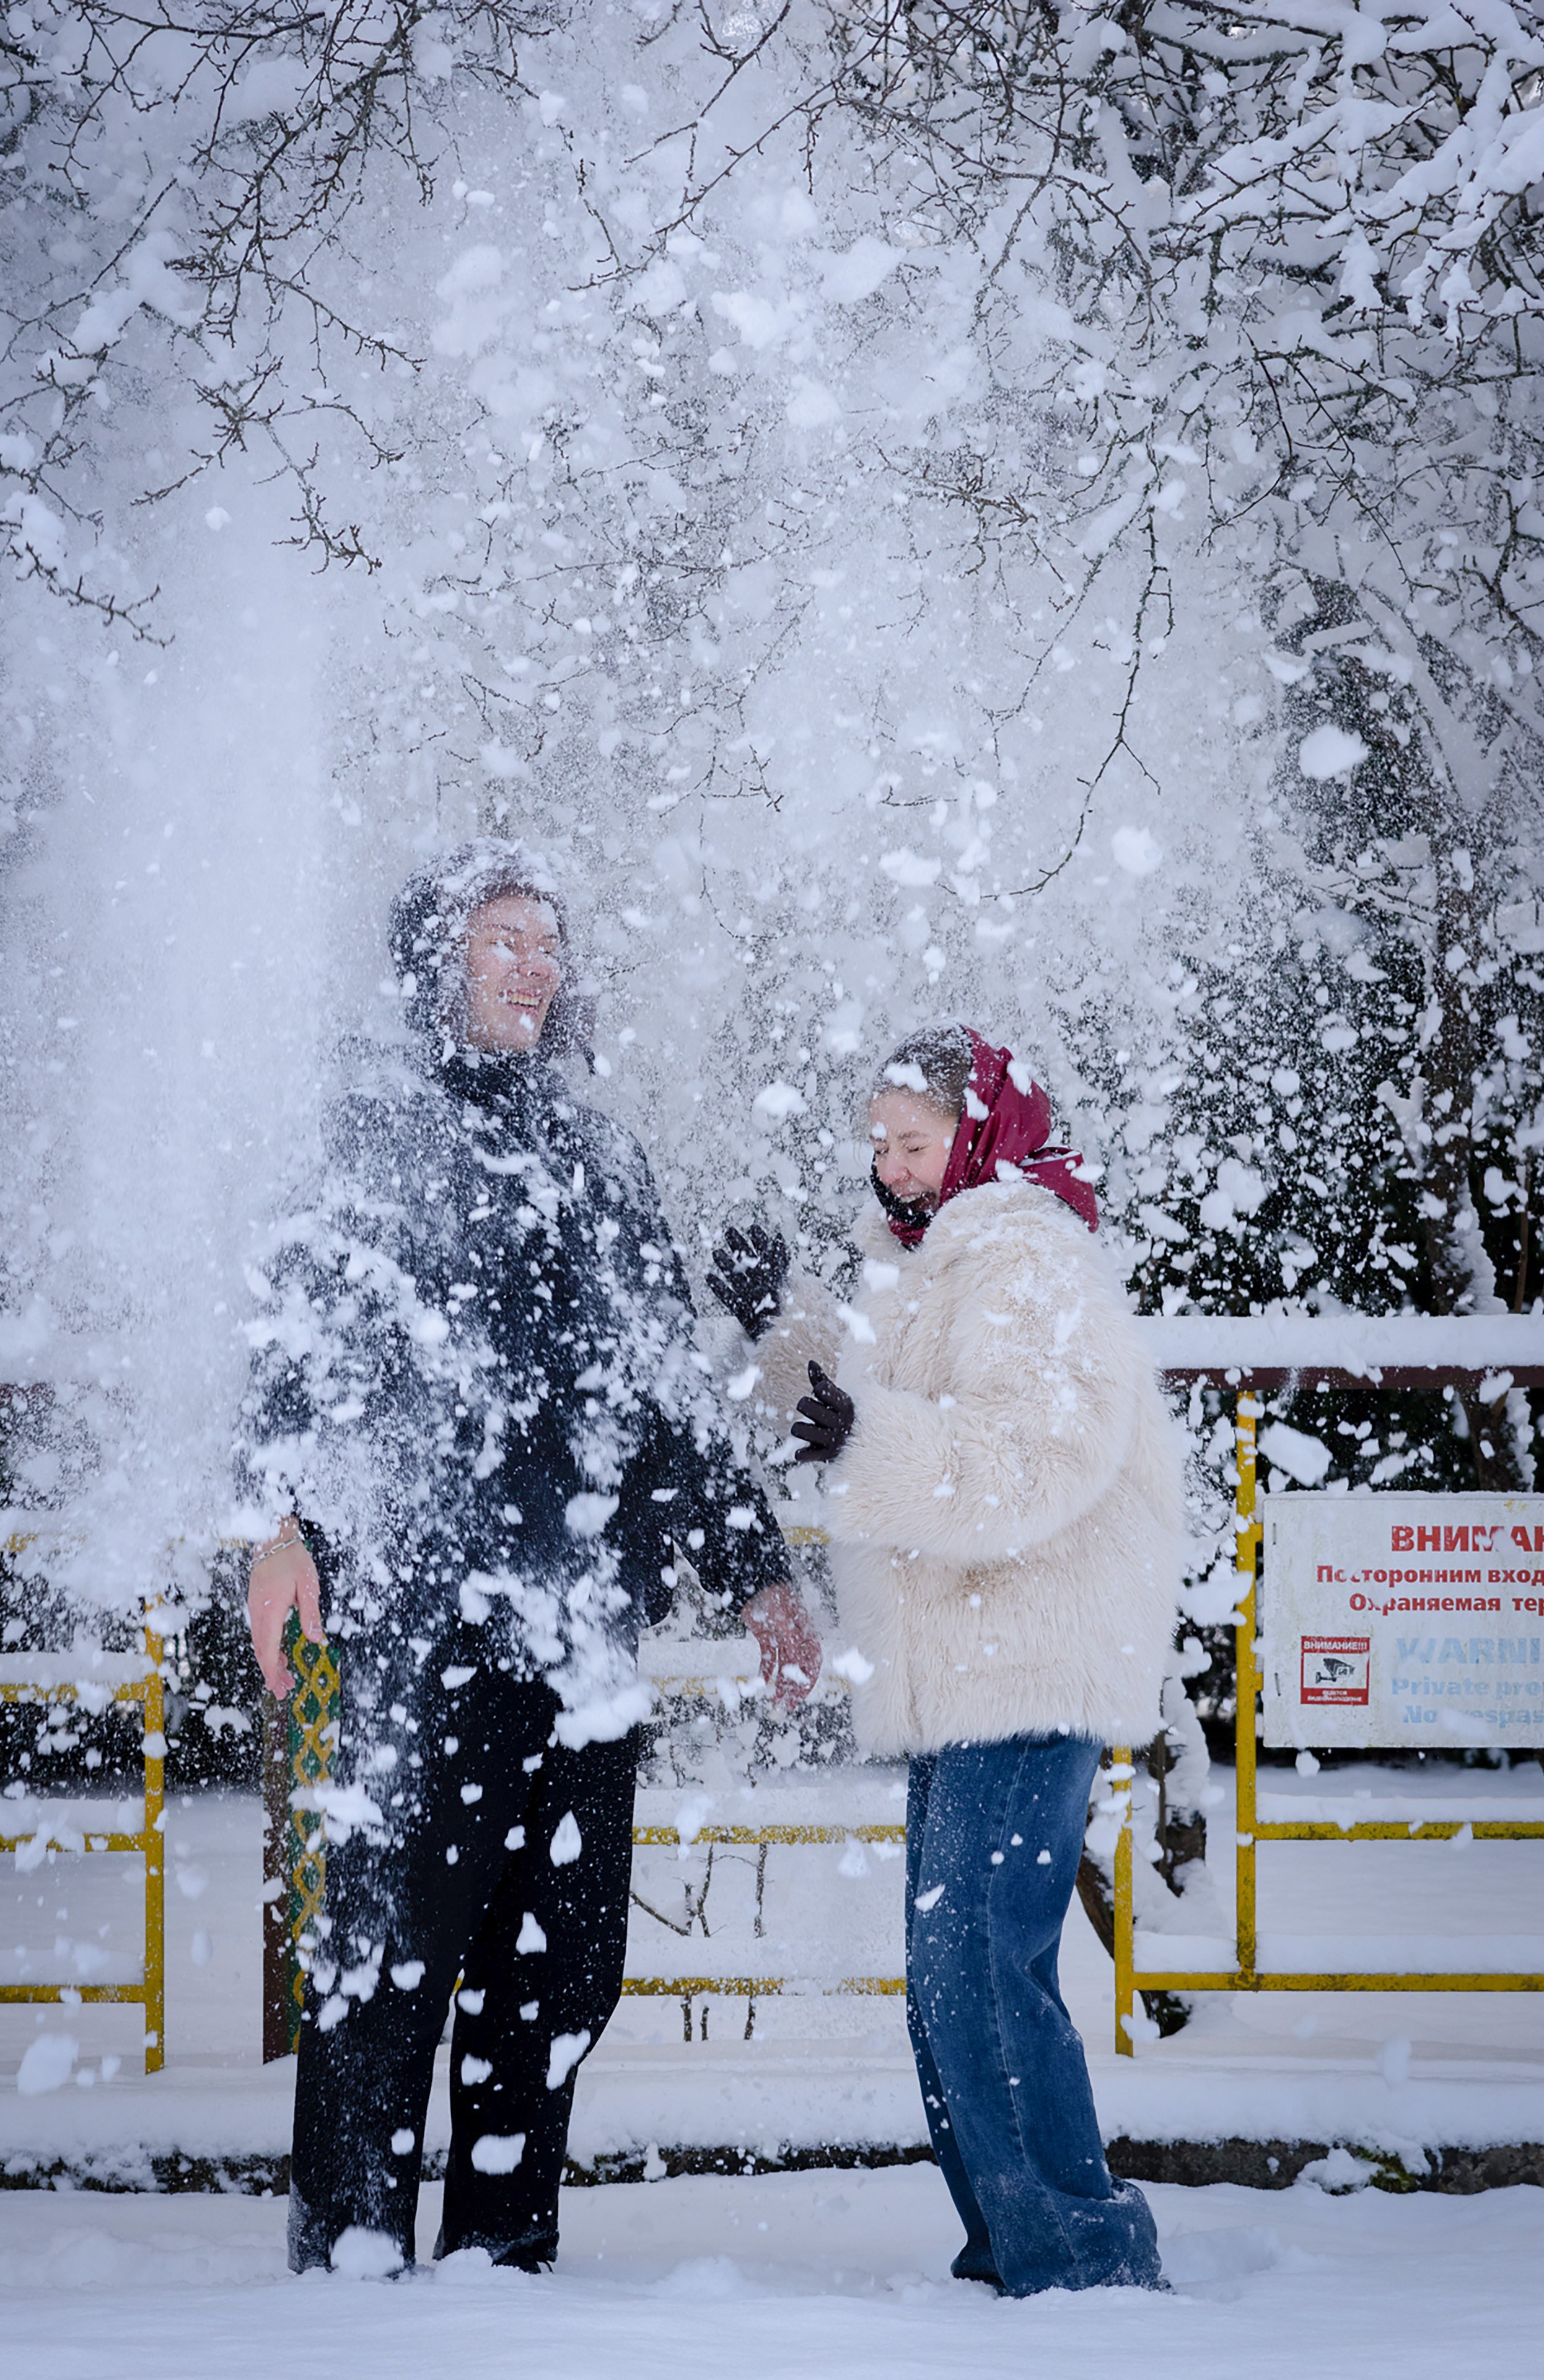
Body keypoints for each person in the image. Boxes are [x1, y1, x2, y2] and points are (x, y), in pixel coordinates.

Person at [238, 842, 820, 2277]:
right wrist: (270, 1518)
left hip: (582, 1638)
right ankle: (349, 2263)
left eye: (546, 943)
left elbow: (661, 1393)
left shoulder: (599, 1152)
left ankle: (502, 2259)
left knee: (558, 1969)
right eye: (501, 939)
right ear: (438, 961)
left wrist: (750, 1565)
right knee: (389, 1964)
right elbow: (286, 1332)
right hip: (422, 1620)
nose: (531, 966)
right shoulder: (367, 1130)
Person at [709, 1021, 1180, 2296]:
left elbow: (1033, 1461)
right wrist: (779, 1322)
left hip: (1024, 1662)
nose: (892, 1167)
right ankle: (1016, 2245)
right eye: (878, 1144)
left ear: (976, 1134)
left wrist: (872, 1428)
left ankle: (1078, 2257)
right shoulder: (928, 1265)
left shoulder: (1024, 1258)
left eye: (914, 1142)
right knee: (949, 1979)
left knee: (977, 1968)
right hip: (952, 1671)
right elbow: (859, 1418)